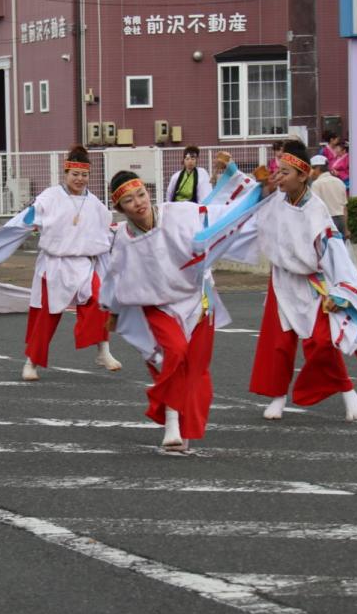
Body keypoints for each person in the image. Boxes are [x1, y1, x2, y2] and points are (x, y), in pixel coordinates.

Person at [103, 168, 275, 453]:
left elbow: (223, 217)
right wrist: (112, 309)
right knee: (175, 352)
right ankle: (171, 422)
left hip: (196, 298)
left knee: (195, 369)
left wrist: (261, 194)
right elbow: (115, 275)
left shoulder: (179, 213)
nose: (138, 203)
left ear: (148, 191)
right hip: (158, 305)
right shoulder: (122, 238)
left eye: (141, 194)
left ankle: (185, 431)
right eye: (129, 201)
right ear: (119, 208)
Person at [0, 144, 122, 381]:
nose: (80, 179)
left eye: (84, 175)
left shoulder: (97, 206)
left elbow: (108, 236)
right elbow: (22, 222)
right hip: (54, 266)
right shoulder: (49, 199)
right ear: (66, 173)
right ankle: (31, 362)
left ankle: (103, 351)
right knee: (45, 316)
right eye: (75, 174)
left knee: (99, 302)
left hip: (84, 265)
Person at [248, 140, 357, 422]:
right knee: (278, 344)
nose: (279, 177)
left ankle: (347, 390)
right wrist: (258, 185)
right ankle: (278, 396)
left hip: (312, 282)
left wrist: (341, 290)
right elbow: (249, 213)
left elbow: (335, 252)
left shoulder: (316, 210)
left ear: (303, 175)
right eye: (278, 170)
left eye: (286, 172)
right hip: (281, 279)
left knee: (321, 342)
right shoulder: (275, 200)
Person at [309, 154, 348, 237]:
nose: (310, 172)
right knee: (340, 244)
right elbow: (344, 208)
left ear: (318, 169)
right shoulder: (339, 182)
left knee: (328, 244)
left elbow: (315, 207)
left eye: (311, 168)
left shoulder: (316, 184)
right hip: (341, 221)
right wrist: (346, 229)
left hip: (327, 222)